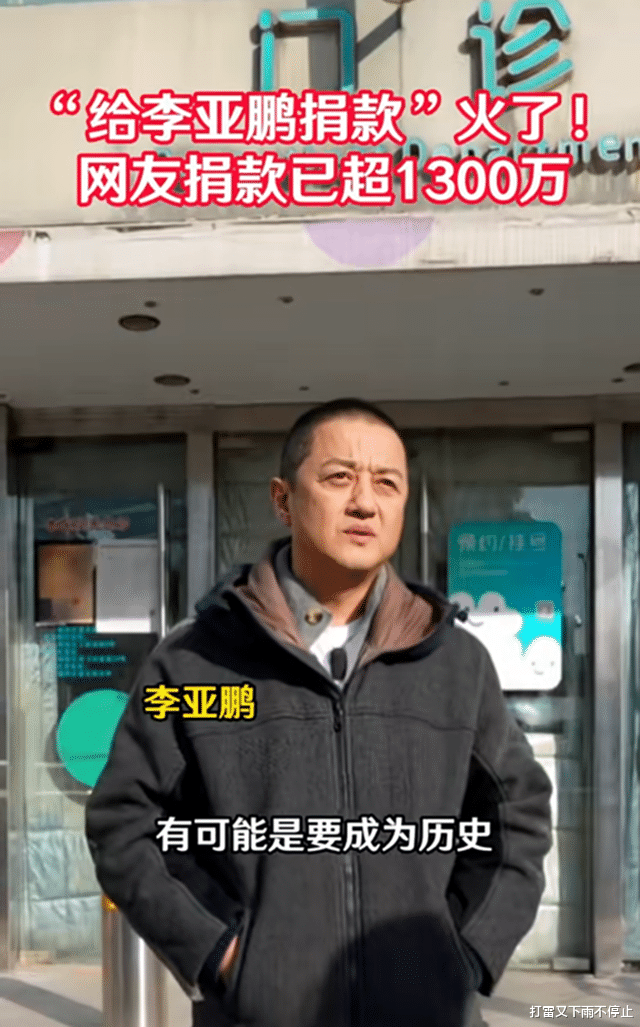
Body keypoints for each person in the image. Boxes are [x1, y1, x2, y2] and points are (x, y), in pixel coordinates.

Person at [85, 398, 553, 1027]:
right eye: (339, 478)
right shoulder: (197, 661)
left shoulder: (455, 664)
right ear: (283, 500)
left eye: (387, 483)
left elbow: (517, 815)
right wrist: (222, 953)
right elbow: (126, 819)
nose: (365, 503)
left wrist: (461, 954)